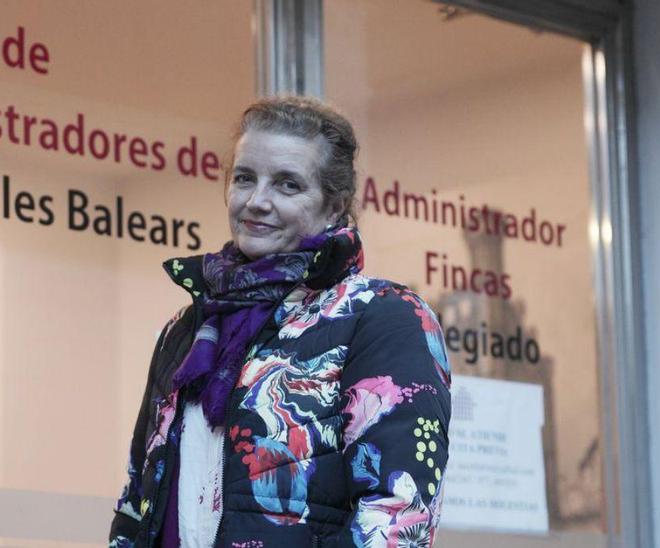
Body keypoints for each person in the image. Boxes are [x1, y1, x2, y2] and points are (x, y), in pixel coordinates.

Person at [109, 96, 452, 548]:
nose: (257, 201)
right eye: (245, 178)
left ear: (334, 207)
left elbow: (398, 517)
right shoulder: (189, 328)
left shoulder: (382, 315)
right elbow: (140, 495)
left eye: (287, 185)